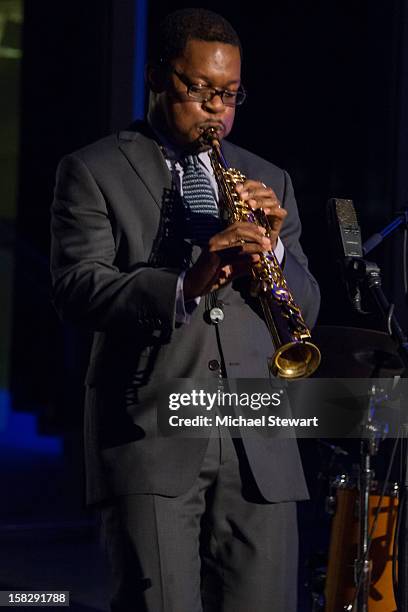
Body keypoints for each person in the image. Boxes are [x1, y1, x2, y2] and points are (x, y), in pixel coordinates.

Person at [50, 8, 320, 612]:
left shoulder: (267, 176)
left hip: (258, 437)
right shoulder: (92, 170)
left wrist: (272, 245)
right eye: (199, 90)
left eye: (229, 94)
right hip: (154, 429)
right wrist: (187, 283)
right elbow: (77, 288)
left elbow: (307, 308)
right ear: (156, 77)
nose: (216, 109)